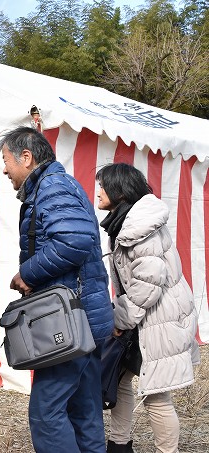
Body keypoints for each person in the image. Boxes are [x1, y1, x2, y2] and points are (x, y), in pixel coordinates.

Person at [0, 126, 113, 452]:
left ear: (26, 157)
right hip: (84, 318)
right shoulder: (56, 185)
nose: (4, 169)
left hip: (70, 322)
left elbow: (74, 241)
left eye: (6, 160)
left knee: (47, 414)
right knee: (84, 409)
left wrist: (28, 273)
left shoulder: (53, 187)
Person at [95, 163, 199, 453]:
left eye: (103, 185)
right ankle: (119, 445)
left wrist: (120, 319)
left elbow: (146, 286)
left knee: (156, 395)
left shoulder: (139, 228)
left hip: (159, 320)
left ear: (120, 190)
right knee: (121, 379)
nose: (98, 191)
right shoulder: (125, 222)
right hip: (145, 320)